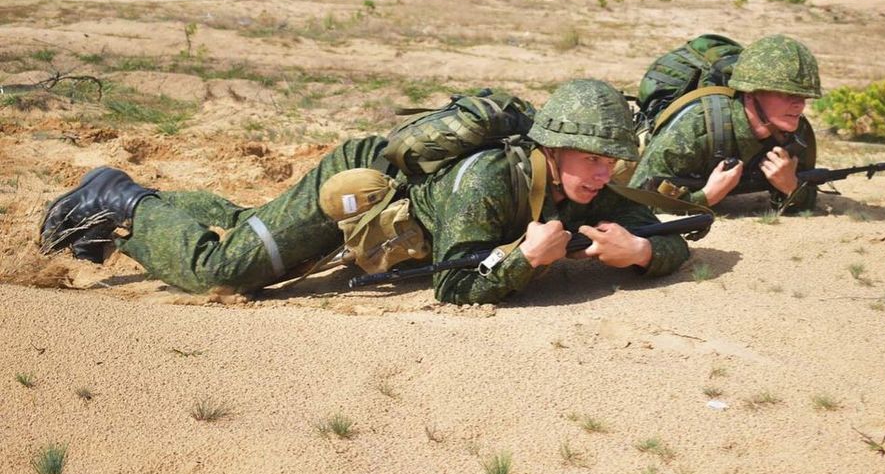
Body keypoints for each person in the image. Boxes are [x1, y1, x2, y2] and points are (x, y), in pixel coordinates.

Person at [39, 79, 690, 304]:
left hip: (396, 198)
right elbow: (455, 285)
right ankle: (123, 200)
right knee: (231, 271)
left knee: (250, 224)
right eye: (595, 159)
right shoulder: (486, 183)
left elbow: (673, 235)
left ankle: (163, 206)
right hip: (356, 193)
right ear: (552, 146)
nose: (606, 174)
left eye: (613, 161)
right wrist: (527, 259)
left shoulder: (584, 184)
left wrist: (640, 253)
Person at [629, 34, 821, 212]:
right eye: (787, 94)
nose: (800, 104)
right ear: (751, 91)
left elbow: (807, 200)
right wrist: (705, 198)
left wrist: (791, 187)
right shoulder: (695, 126)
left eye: (804, 96)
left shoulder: (795, 134)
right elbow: (636, 203)